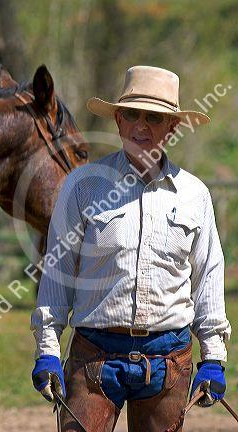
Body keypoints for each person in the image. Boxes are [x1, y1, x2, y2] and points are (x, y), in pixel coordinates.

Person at [30, 66, 231, 432]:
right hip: (93, 360)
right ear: (118, 122)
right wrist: (47, 348)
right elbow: (57, 274)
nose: (141, 126)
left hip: (169, 362)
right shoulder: (82, 187)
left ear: (172, 127)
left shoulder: (195, 196)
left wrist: (214, 356)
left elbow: (208, 279)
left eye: (154, 117)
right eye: (132, 115)